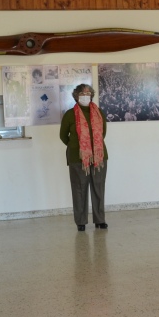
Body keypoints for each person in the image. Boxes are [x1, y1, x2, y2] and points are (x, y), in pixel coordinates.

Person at [59, 84, 108, 230]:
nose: (85, 95)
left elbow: (103, 133)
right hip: (77, 157)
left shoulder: (98, 112)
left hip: (99, 157)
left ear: (91, 95)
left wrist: (93, 148)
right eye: (82, 93)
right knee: (79, 189)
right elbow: (63, 136)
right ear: (76, 96)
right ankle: (81, 222)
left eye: (88, 93)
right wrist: (77, 147)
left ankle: (100, 220)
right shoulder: (69, 114)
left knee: (98, 188)